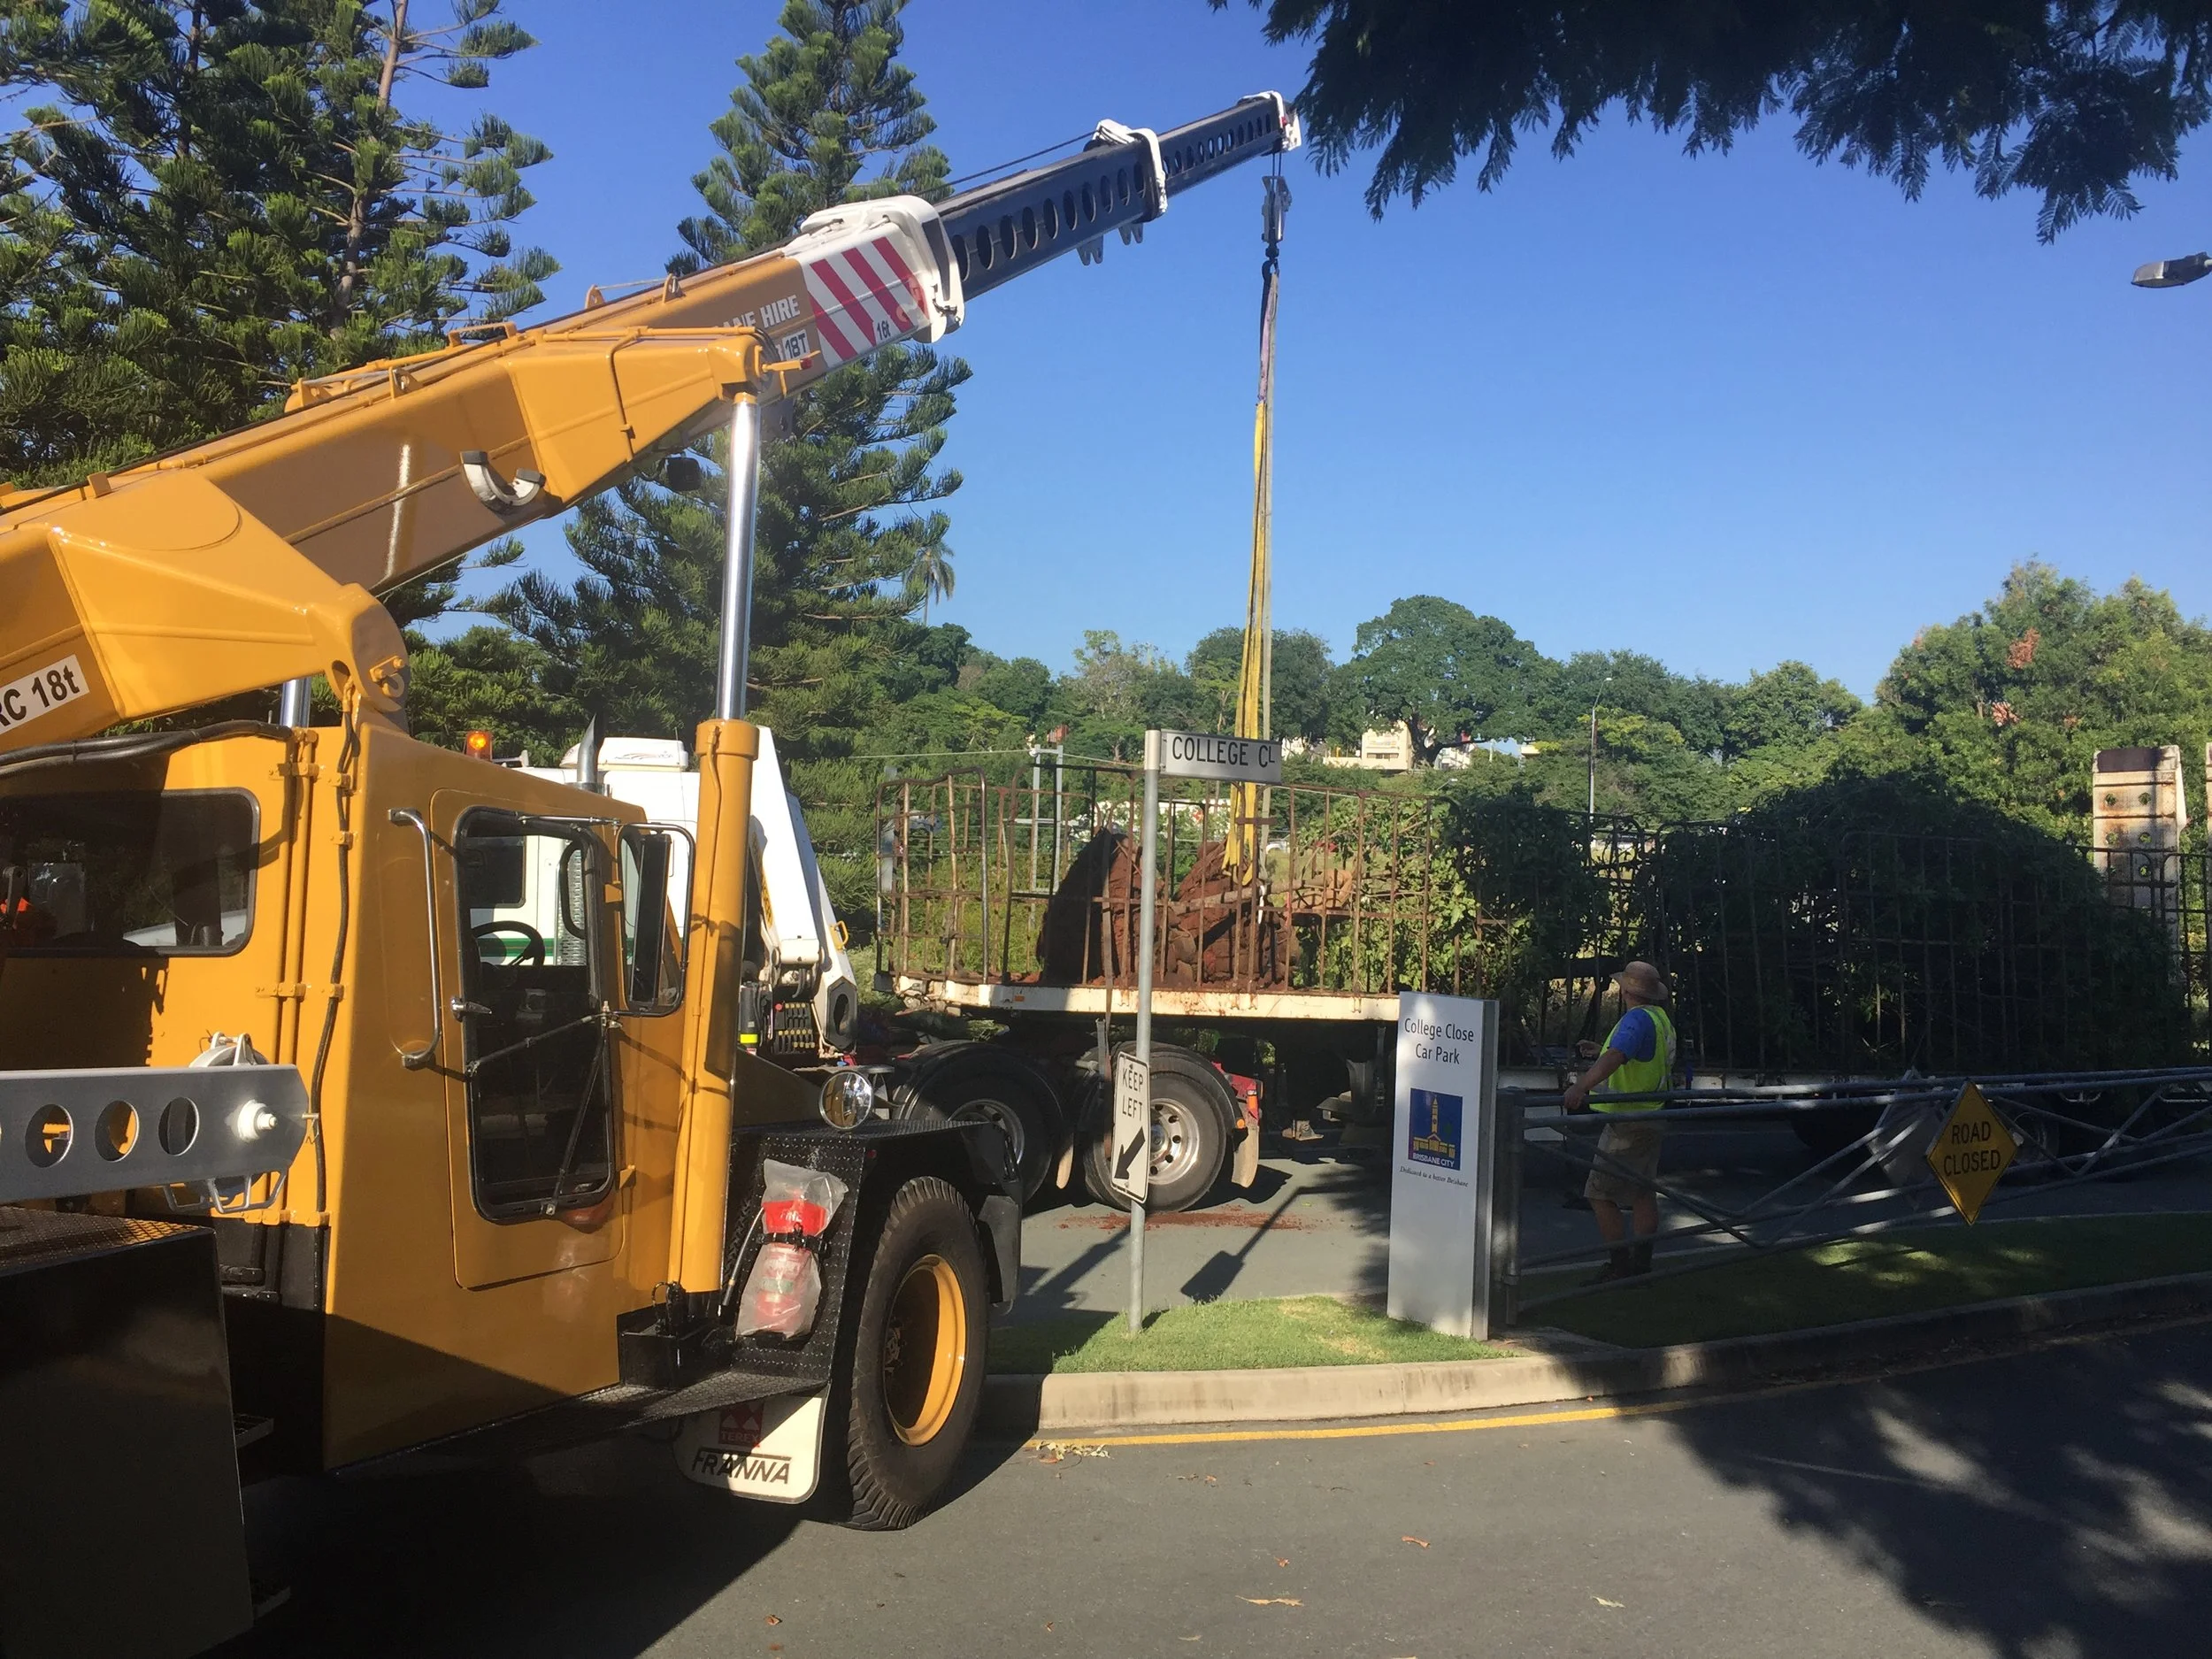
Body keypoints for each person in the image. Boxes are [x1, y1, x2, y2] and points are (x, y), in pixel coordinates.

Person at [1561, 961, 1676, 1281]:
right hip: (1652, 1114)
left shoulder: (1636, 1019)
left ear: (1626, 990)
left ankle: (1620, 1266)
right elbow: (1635, 1056)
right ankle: (1640, 1265)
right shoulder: (1659, 1019)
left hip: (1629, 1120)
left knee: (1599, 1193)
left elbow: (1618, 1056)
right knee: (1642, 1191)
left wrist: (1581, 1086)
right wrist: (1602, 1050)